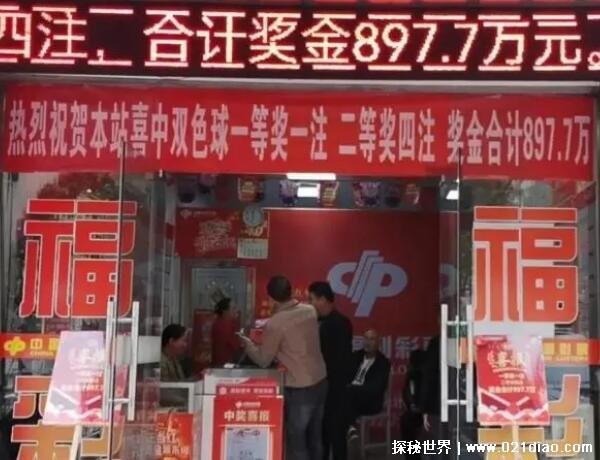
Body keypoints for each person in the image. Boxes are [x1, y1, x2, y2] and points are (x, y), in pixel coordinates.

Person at [239, 276, 327, 460]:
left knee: (296, 440)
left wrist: (248, 345)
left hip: (300, 388)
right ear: (291, 291)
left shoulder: (276, 323)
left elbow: (263, 360)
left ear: (271, 299)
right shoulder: (310, 310)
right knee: (315, 437)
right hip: (320, 380)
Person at [308, 281, 353, 460]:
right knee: (322, 432)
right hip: (320, 384)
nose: (311, 303)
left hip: (335, 386)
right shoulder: (316, 322)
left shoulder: (340, 323)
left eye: (312, 299)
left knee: (336, 432)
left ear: (323, 299)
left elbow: (339, 358)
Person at [346, 330, 391, 438]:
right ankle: (350, 429)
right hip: (350, 398)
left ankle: (349, 429)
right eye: (366, 338)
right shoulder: (355, 356)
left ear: (379, 343)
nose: (368, 342)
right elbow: (345, 375)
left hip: (371, 401)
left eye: (372, 339)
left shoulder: (383, 363)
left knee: (345, 398)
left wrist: (353, 389)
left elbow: (375, 388)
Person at [419, 333, 446, 459]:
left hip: (438, 405)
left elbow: (429, 376)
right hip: (461, 406)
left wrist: (425, 408)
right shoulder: (471, 339)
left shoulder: (437, 342)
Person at [401, 349, 425, 458]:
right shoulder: (412, 375)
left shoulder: (425, 375)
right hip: (416, 411)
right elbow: (408, 393)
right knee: (406, 420)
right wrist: (411, 405)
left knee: (407, 421)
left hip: (429, 411)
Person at [211, 297, 241, 366]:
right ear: (225, 311)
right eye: (233, 308)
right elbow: (236, 345)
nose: (236, 311)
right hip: (224, 365)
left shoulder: (218, 322)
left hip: (219, 363)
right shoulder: (225, 325)